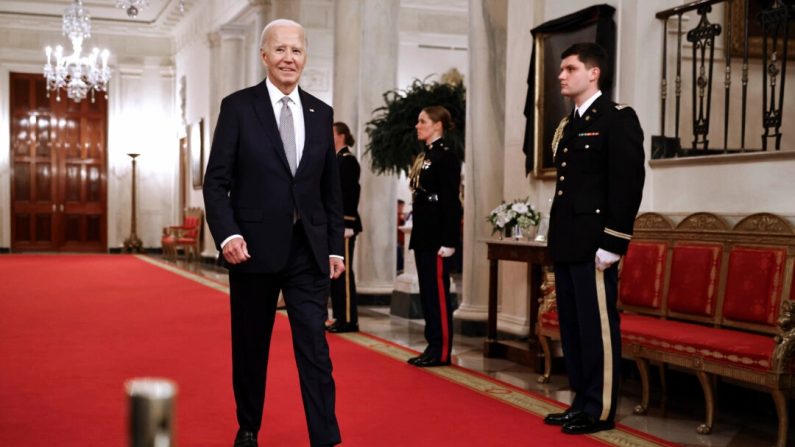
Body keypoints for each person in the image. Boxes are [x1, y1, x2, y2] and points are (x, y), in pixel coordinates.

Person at [203, 19, 344, 447]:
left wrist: (335, 247)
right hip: (252, 251)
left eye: (297, 51)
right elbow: (216, 182)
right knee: (250, 346)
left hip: (308, 252)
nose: (289, 59)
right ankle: (248, 427)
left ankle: (325, 436)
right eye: (280, 50)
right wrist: (228, 235)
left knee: (315, 350)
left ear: (305, 57)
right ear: (264, 56)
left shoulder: (322, 114)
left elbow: (328, 190)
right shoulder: (239, 107)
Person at [543, 42, 645, 435]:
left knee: (598, 328)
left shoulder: (617, 118)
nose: (561, 75)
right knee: (573, 327)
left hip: (596, 245)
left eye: (569, 68)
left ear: (593, 72)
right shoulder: (570, 124)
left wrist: (614, 242)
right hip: (569, 242)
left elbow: (627, 185)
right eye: (561, 69)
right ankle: (580, 402)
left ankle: (600, 410)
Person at [406, 105, 462, 368]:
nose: (418, 126)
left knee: (438, 294)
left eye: (423, 121)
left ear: (437, 125)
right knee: (428, 292)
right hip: (424, 233)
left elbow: (451, 202)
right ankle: (432, 345)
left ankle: (441, 351)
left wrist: (450, 241)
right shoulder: (425, 155)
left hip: (438, 235)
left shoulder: (446, 157)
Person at [327, 122, 362, 333]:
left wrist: (347, 222)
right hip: (334, 225)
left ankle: (349, 319)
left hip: (344, 225)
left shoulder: (348, 161)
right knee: (335, 274)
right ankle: (340, 316)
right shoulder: (336, 160)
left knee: (344, 273)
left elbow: (350, 194)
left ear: (341, 136)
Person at [396, 199, 406, 272]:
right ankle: (400, 268)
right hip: (397, 240)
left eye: (402, 206)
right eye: (400, 206)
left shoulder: (402, 215)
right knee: (398, 248)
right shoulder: (395, 216)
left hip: (403, 240)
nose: (401, 208)